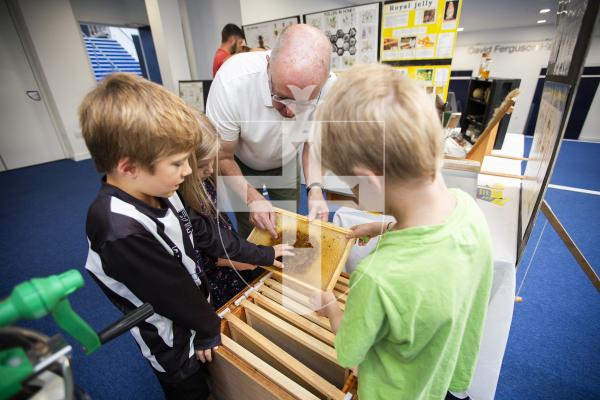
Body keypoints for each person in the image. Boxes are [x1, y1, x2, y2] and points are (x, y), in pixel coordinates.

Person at [79, 73, 292, 400]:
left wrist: (264, 255)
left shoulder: (163, 186)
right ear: (129, 167)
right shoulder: (118, 230)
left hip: (197, 308)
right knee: (190, 389)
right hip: (171, 340)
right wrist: (207, 329)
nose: (189, 171)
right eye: (178, 163)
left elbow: (208, 236)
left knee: (212, 375)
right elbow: (170, 292)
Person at [311, 64, 493, 400]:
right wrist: (387, 225)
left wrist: (330, 309)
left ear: (370, 179)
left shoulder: (376, 276)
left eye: (349, 184)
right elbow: (432, 237)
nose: (352, 193)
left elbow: (349, 353)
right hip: (441, 378)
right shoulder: (468, 209)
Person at [206, 24, 334, 240]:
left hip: (286, 159)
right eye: (282, 97)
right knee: (253, 226)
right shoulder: (232, 82)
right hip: (239, 163)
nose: (292, 112)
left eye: (304, 102)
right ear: (268, 65)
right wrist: (251, 197)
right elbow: (222, 156)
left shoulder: (328, 86)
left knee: (290, 222)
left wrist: (315, 190)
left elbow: (312, 143)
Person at [179, 114, 258, 309]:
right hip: (212, 276)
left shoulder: (202, 181)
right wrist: (232, 261)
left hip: (226, 258)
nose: (211, 169)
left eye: (212, 161)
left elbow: (216, 229)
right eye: (203, 164)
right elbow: (193, 255)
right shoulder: (178, 199)